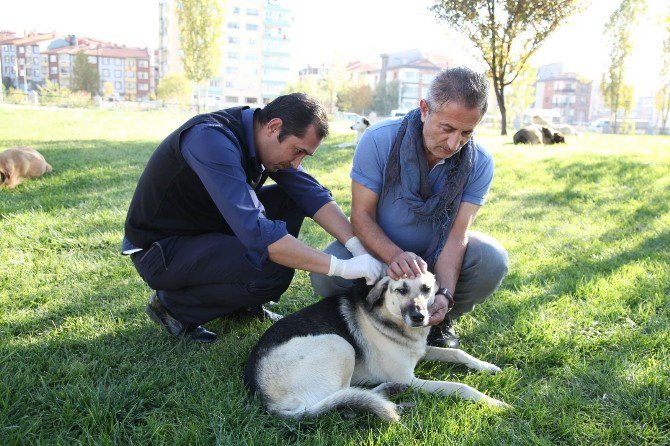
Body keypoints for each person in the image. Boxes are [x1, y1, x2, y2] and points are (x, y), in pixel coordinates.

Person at [123, 93, 383, 343]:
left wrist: (357, 247)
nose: (296, 163)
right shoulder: (210, 140)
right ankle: (172, 307)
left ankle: (240, 302)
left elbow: (311, 194)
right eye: (297, 150)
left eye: (304, 156)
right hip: (160, 250)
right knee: (272, 268)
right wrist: (344, 268)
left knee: (291, 197)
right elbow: (260, 235)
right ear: (274, 126)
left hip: (203, 229)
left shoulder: (261, 140)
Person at [311, 67, 509, 348]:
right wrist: (394, 256)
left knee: (492, 258)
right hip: (378, 248)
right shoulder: (379, 140)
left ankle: (440, 319)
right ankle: (371, 317)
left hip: (437, 255)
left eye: (467, 132)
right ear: (425, 110)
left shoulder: (481, 162)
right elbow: (361, 217)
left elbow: (457, 235)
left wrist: (445, 294)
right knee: (324, 276)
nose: (455, 143)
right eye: (447, 128)